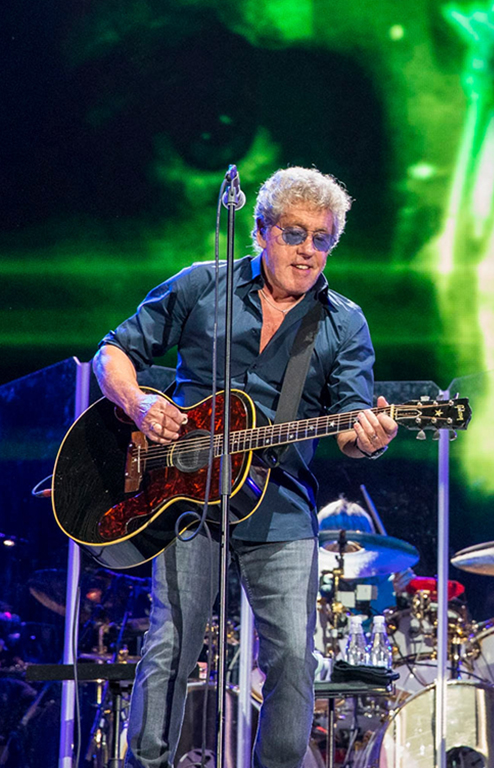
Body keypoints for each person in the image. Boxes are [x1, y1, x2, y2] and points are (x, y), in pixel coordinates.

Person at [92, 166, 399, 768]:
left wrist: (374, 436)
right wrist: (139, 401)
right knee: (171, 643)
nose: (309, 251)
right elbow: (114, 352)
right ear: (260, 231)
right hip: (179, 496)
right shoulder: (201, 286)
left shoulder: (344, 322)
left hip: (278, 504)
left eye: (323, 238)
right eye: (295, 234)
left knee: (292, 656)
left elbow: (353, 434)